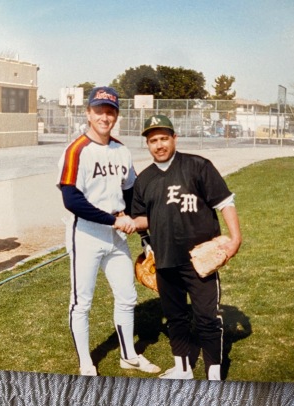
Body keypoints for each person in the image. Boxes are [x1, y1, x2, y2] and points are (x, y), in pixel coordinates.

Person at [57, 87, 160, 376]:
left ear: (116, 115)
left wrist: (142, 233)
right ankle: (86, 362)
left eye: (110, 111)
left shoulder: (121, 150)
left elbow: (131, 195)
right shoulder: (77, 150)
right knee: (82, 301)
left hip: (116, 235)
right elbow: (71, 199)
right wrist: (114, 221)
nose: (105, 116)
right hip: (86, 233)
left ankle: (128, 355)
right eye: (99, 110)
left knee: (127, 296)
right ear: (88, 113)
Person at [132, 115, 242, 381]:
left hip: (200, 258)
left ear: (174, 139)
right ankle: (182, 368)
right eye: (153, 140)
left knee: (206, 316)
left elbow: (225, 202)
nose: (159, 145)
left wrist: (235, 239)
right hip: (166, 259)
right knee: (176, 317)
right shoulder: (144, 179)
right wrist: (132, 227)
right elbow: (144, 219)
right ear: (147, 144)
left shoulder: (198, 166)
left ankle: (213, 371)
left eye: (163, 138)